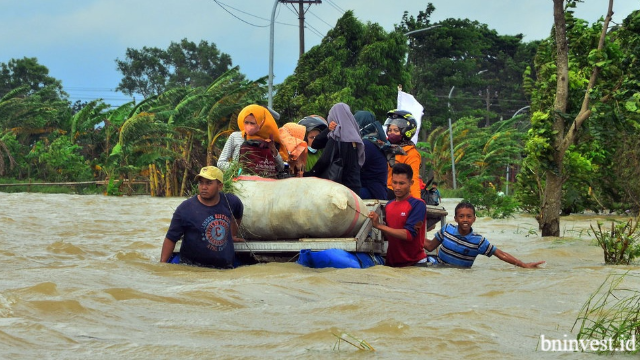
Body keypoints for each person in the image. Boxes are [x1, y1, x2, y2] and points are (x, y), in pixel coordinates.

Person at [160, 166, 244, 269]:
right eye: (201, 182)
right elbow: (171, 238)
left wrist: (232, 234)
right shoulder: (185, 209)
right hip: (193, 268)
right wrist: (162, 265)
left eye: (209, 183)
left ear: (220, 186)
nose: (204, 187)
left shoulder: (230, 201)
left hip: (224, 268)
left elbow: (238, 212)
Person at [423, 202, 546, 268]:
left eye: (469, 216)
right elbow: (429, 246)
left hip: (462, 276)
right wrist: (410, 233)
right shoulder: (447, 230)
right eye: (461, 216)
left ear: (474, 219)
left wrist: (523, 265)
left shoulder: (478, 241)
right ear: (455, 219)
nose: (465, 220)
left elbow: (501, 254)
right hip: (439, 268)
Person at [368, 163, 428, 267]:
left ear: (411, 183)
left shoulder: (418, 204)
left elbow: (408, 235)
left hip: (415, 263)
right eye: (394, 183)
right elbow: (389, 234)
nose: (397, 187)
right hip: (393, 263)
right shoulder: (389, 205)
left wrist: (379, 226)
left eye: (402, 183)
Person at [305, 103, 365, 194]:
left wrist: (310, 175)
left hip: (340, 189)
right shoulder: (356, 138)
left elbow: (323, 159)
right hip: (355, 186)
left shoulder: (337, 138)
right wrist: (328, 130)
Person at [217, 104, 285, 178]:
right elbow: (221, 162)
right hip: (241, 184)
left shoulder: (268, 140)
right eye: (246, 122)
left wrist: (274, 150)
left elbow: (281, 168)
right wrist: (237, 168)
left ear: (261, 123)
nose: (248, 126)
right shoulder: (235, 137)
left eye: (252, 123)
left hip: (264, 185)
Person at [384, 109, 421, 200]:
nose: (391, 133)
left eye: (396, 130)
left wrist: (417, 203)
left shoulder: (410, 153)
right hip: (382, 189)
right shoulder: (385, 147)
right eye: (390, 130)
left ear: (406, 132)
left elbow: (413, 179)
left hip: (395, 192)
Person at [354, 110, 388, 200]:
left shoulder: (366, 144)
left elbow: (353, 166)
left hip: (372, 191)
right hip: (374, 189)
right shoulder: (373, 141)